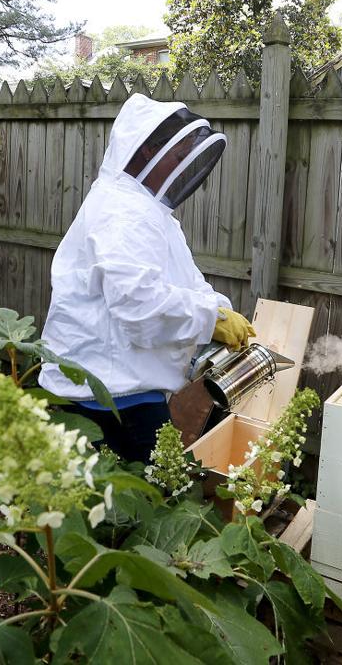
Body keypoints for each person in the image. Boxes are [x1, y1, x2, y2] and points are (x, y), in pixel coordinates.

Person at [38, 93, 256, 463]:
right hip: (107, 395)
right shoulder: (122, 212)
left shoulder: (147, 211)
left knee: (121, 501)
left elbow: (185, 281)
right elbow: (139, 306)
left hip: (123, 385)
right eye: (177, 153)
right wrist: (211, 319)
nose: (182, 163)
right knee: (158, 500)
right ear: (145, 153)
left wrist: (219, 309)